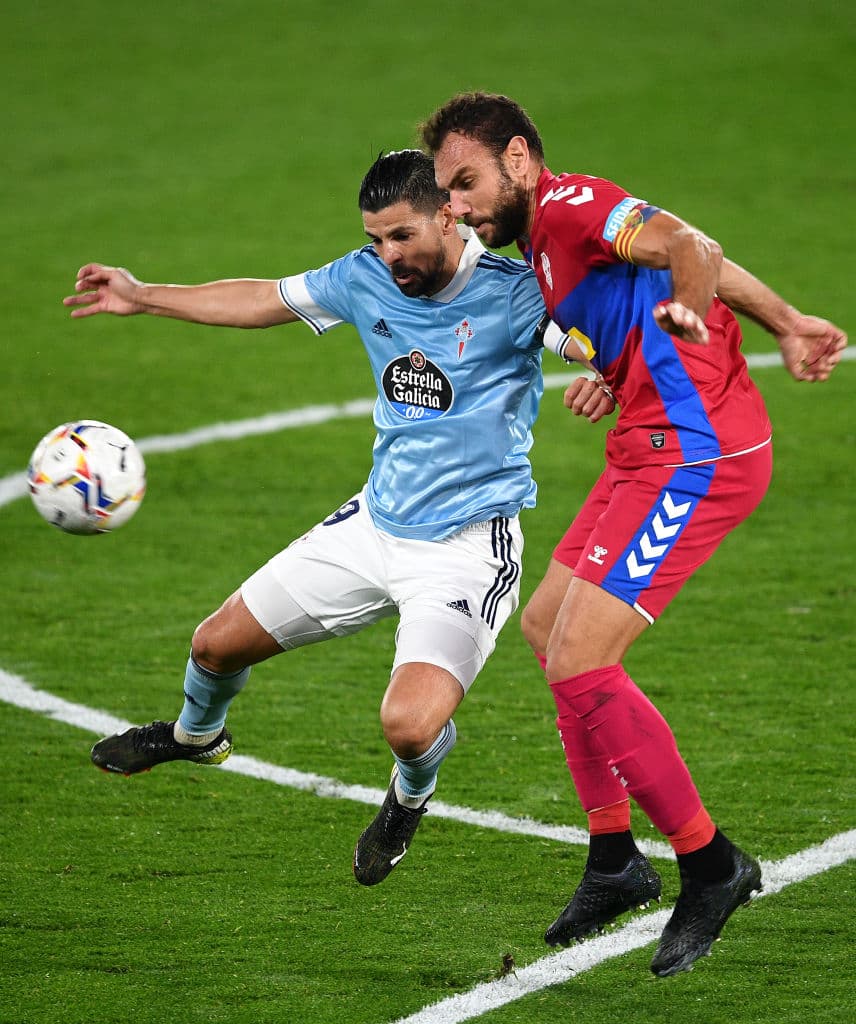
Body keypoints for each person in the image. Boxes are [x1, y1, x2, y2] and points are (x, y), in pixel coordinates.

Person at [63, 149, 613, 888]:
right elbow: (264, 298)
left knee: (409, 726)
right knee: (215, 647)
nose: (386, 256)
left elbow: (591, 337)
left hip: (465, 550)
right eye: (375, 238)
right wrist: (143, 295)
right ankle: (197, 736)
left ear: (449, 213)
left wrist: (608, 374)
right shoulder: (362, 276)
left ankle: (407, 800)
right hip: (373, 524)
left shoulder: (513, 296)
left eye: (401, 237)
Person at [422, 93, 847, 976]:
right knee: (545, 629)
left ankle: (710, 863)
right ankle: (615, 860)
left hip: (700, 455)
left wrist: (686, 315)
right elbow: (668, 275)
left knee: (584, 659)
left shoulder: (574, 206)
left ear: (520, 158)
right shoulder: (542, 239)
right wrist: (784, 322)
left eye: (465, 184)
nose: (457, 207)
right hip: (645, 441)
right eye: (447, 193)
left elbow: (694, 251)